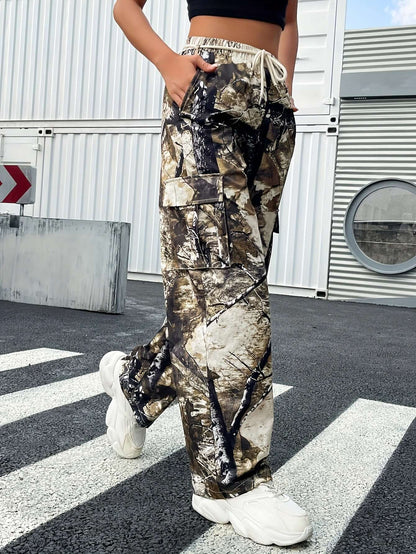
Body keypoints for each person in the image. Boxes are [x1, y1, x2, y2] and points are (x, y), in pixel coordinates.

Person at [99, 0, 313, 547]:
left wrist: (283, 82)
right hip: (208, 82)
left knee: (231, 285)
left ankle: (136, 381)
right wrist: (167, 61)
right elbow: (125, 7)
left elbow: (289, 18)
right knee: (224, 284)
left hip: (270, 101)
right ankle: (231, 481)